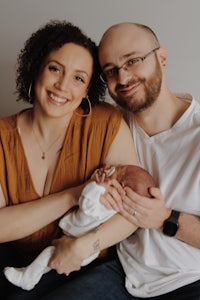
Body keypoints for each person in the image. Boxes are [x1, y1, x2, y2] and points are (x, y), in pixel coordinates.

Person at [40, 22, 200, 300]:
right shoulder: (111, 124)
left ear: (161, 57)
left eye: (133, 61)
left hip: (189, 281)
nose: (123, 78)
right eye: (110, 70)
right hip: (121, 272)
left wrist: (166, 219)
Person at [0, 20, 140, 299]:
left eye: (78, 78)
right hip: (26, 262)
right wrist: (72, 196)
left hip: (94, 263)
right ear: (36, 68)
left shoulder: (105, 123)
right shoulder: (3, 138)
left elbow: (132, 211)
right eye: (55, 69)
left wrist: (83, 247)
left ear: (88, 89)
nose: (63, 86)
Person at [4, 164, 155, 291]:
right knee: (47, 258)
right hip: (76, 239)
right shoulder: (113, 199)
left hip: (81, 246)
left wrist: (97, 187)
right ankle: (30, 274)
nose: (115, 167)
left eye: (120, 170)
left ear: (122, 186)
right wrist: (101, 177)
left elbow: (87, 204)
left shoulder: (107, 206)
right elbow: (101, 176)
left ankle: (27, 279)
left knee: (48, 254)